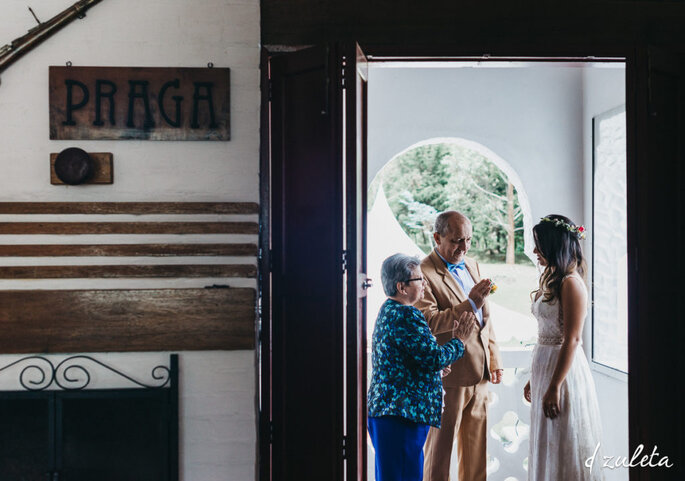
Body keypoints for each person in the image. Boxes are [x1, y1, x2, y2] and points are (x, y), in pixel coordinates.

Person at [367, 253, 480, 481]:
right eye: (420, 280)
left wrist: (434, 369)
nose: (425, 284)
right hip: (401, 414)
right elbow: (434, 358)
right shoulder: (407, 314)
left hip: (388, 412)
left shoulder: (388, 309)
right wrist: (460, 340)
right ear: (402, 287)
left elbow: (408, 359)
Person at [417, 211, 503, 481]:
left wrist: (494, 359)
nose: (463, 248)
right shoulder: (422, 272)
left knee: (477, 454)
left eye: (468, 240)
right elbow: (429, 321)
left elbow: (484, 320)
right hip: (448, 378)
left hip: (481, 375)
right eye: (456, 241)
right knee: (439, 456)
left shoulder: (471, 265)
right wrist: (471, 302)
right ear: (437, 237)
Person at [524, 215, 603, 480]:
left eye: (539, 245)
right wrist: (533, 378)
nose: (535, 251)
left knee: (565, 438)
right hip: (544, 366)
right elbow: (545, 333)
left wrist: (554, 386)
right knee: (548, 440)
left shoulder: (571, 283)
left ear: (554, 245)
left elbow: (572, 339)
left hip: (564, 372)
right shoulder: (551, 279)